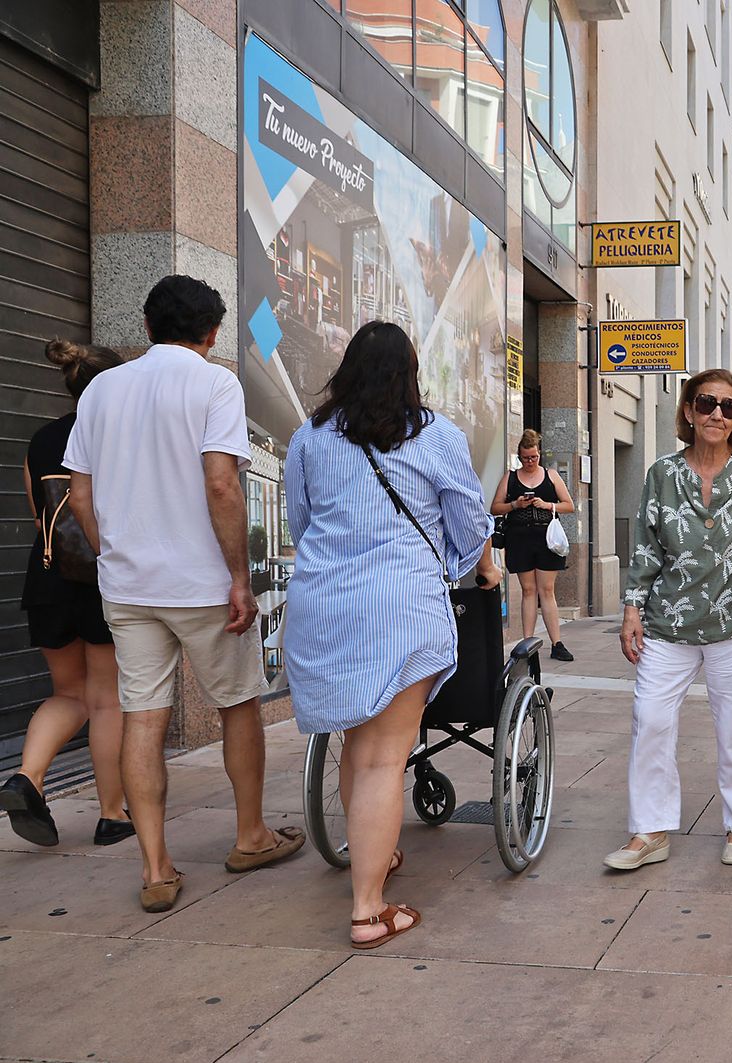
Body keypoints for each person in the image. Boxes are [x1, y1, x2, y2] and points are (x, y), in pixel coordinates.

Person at [63, 275, 304, 913]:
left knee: (143, 716)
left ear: (146, 326)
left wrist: (114, 554)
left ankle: (155, 868)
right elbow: (222, 485)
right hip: (201, 584)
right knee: (238, 705)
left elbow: (80, 495)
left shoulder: (101, 389)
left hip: (127, 587)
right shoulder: (215, 384)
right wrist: (240, 579)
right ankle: (250, 837)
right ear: (213, 333)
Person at [285, 321, 495, 950]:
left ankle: (370, 853)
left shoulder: (310, 436)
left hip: (323, 607)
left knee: (358, 745)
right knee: (384, 757)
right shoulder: (436, 435)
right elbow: (469, 522)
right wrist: (462, 565)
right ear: (410, 373)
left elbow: (300, 520)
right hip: (400, 608)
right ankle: (368, 909)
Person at [605, 370, 732, 871]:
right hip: (667, 622)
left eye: (729, 407)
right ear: (688, 410)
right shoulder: (662, 473)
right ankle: (650, 830)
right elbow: (646, 548)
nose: (717, 414)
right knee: (650, 719)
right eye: (707, 403)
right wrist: (631, 609)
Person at [1, 340, 132, 848]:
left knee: (69, 694)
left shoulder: (41, 439)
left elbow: (40, 518)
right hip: (98, 577)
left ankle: (27, 777)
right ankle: (112, 814)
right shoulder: (117, 438)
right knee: (105, 699)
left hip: (47, 578)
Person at [491, 430, 575, 662]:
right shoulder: (510, 477)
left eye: (534, 457)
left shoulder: (551, 475)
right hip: (519, 539)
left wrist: (547, 505)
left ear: (539, 454)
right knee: (528, 590)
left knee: (546, 590)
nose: (530, 462)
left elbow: (569, 505)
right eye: (526, 458)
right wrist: (515, 505)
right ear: (519, 456)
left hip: (547, 539)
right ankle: (527, 644)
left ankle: (557, 643)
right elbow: (495, 507)